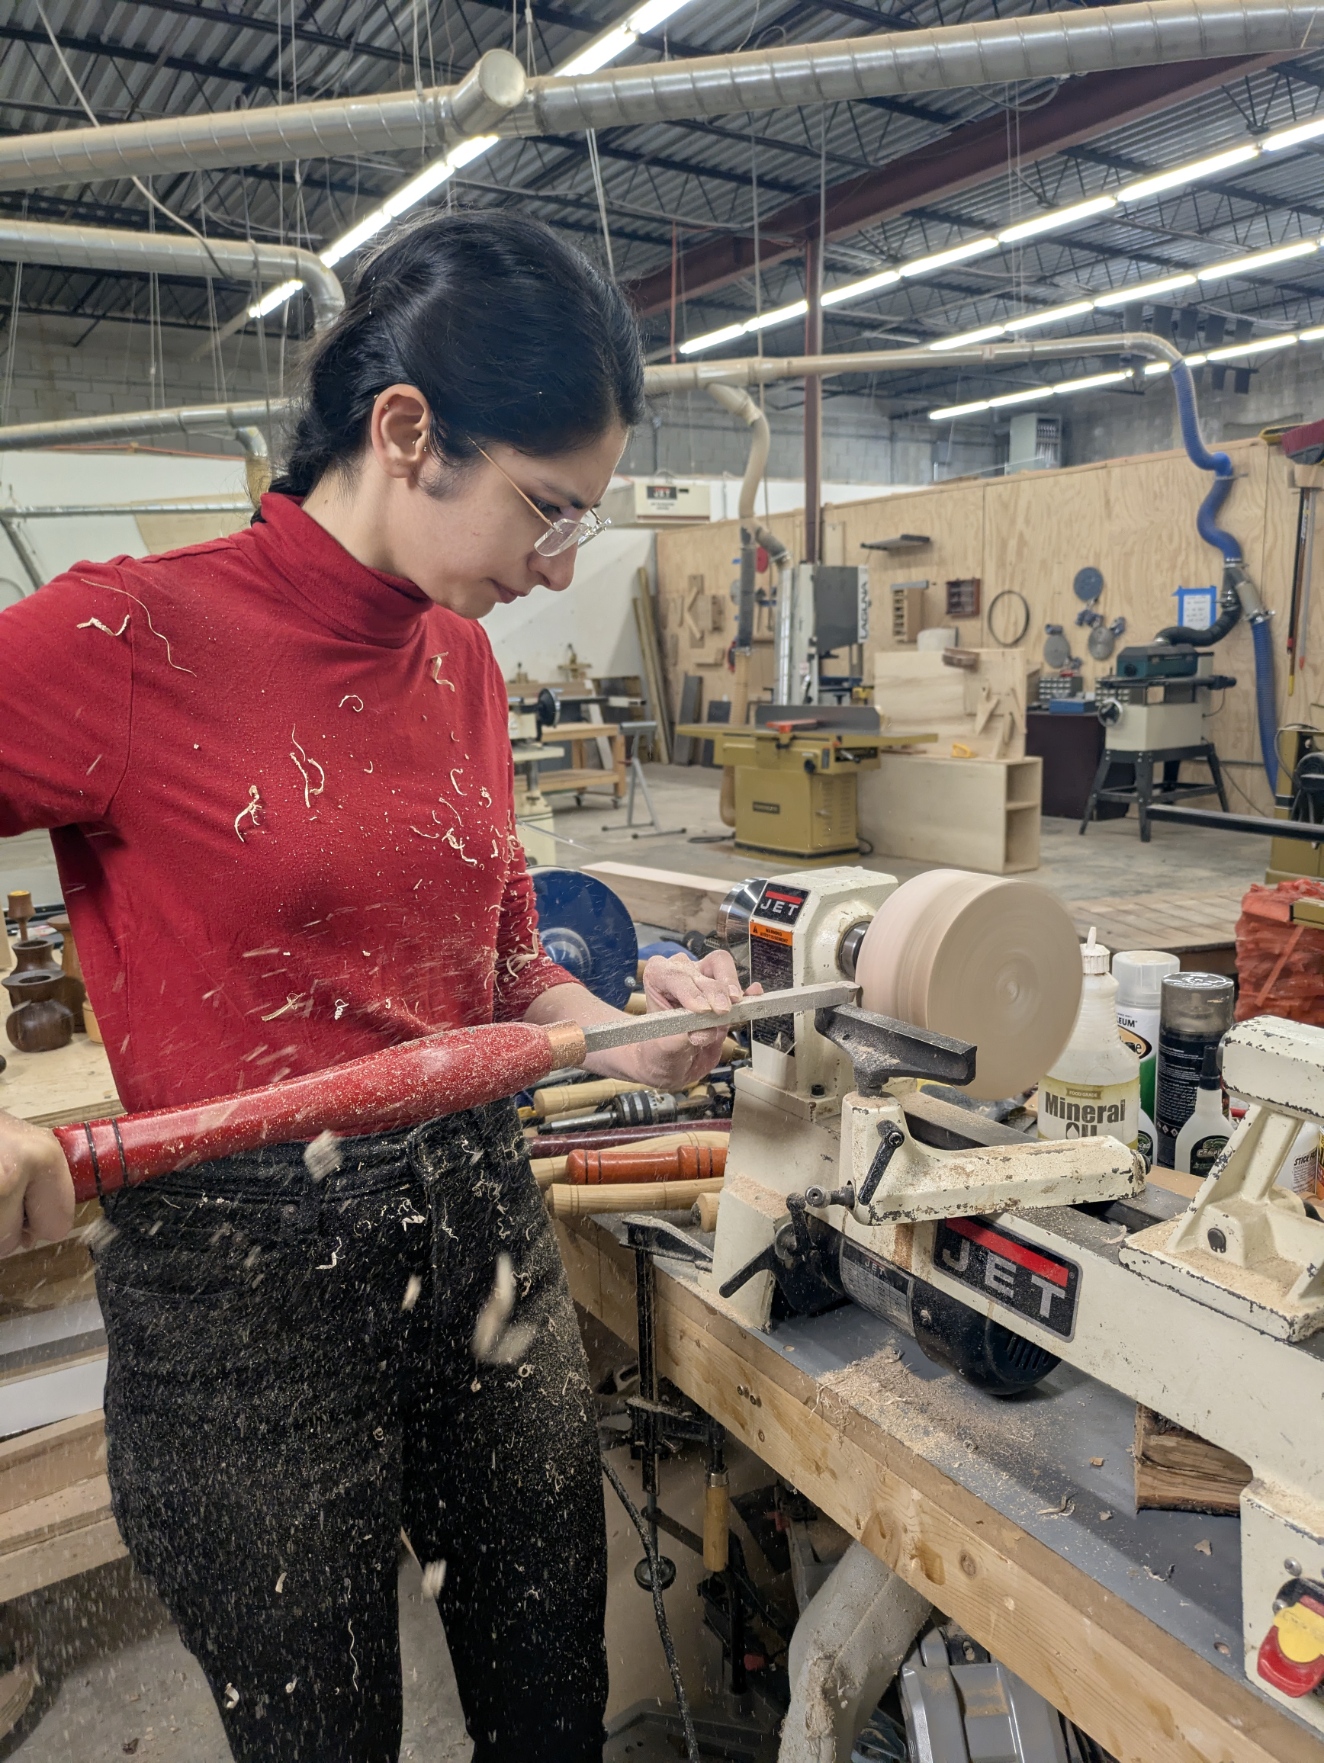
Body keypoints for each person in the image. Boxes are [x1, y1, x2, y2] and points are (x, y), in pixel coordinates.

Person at [0, 210, 751, 1763]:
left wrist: (634, 1041)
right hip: (240, 1292)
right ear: (407, 432)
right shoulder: (130, 635)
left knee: (553, 1697)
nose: (553, 574)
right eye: (546, 513)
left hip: (480, 1232)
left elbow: (504, 974)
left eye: (580, 532)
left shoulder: (462, 666)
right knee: (319, 1733)